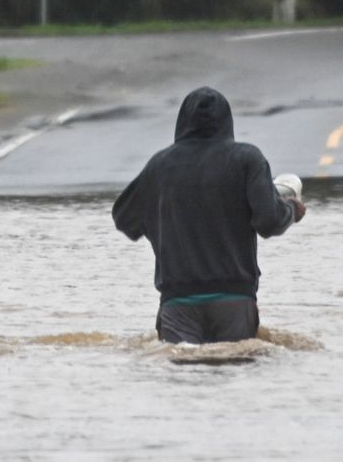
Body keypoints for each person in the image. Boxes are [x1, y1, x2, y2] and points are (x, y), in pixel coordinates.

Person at [111, 86, 305, 344]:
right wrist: (291, 210)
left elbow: (125, 218)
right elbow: (269, 221)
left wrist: (163, 222)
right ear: (227, 122)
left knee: (183, 376)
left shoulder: (160, 165)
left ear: (182, 122)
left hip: (177, 303)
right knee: (236, 375)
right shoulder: (247, 159)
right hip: (234, 301)